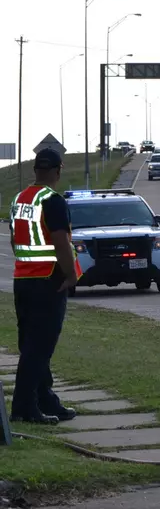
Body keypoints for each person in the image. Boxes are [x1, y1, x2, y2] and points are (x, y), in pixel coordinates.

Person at [8, 148, 82, 424]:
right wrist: (71, 275)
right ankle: (25, 407)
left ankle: (46, 400)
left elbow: (14, 240)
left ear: (35, 169)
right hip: (48, 280)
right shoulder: (53, 200)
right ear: (58, 170)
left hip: (22, 279)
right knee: (38, 348)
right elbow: (61, 242)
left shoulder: (20, 199)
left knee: (31, 343)